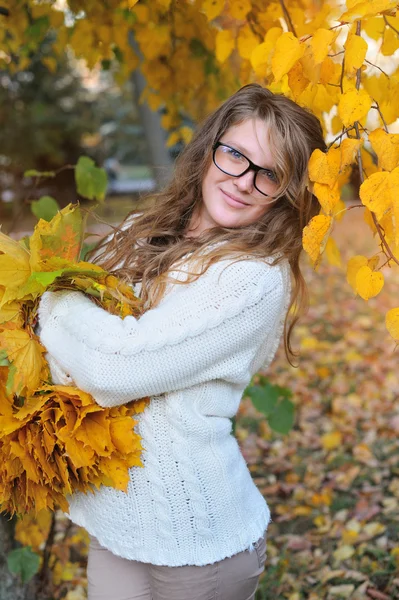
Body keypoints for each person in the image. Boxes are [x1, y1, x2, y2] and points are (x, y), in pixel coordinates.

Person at [38, 84, 326, 600]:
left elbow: (112, 369)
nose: (243, 181)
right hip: (115, 520)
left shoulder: (254, 278)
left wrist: (51, 302)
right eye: (236, 155)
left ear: (287, 191)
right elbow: (66, 366)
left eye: (270, 173)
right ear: (210, 148)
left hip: (199, 539)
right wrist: (73, 326)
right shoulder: (138, 230)